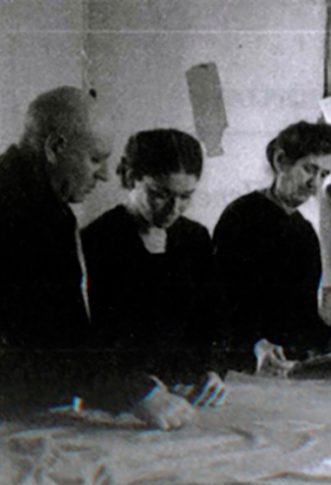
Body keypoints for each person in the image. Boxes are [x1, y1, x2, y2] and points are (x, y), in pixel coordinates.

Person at [82, 129, 226, 428]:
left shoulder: (195, 238)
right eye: (160, 194)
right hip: (123, 405)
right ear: (131, 178)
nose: (174, 209)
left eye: (185, 197)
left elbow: (209, 322)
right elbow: (91, 346)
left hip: (183, 397)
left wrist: (212, 369)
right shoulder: (97, 241)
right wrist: (137, 389)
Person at [0, 86, 112, 413]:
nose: (105, 175)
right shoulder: (17, 212)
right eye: (95, 159)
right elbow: (47, 340)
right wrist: (129, 391)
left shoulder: (50, 208)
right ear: (55, 148)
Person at [213, 121, 331, 373]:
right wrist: (254, 344)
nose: (315, 183)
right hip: (246, 363)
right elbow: (222, 304)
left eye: (323, 175)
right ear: (281, 162)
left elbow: (302, 312)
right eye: (309, 169)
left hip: (289, 363)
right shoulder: (241, 217)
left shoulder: (304, 232)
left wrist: (329, 336)